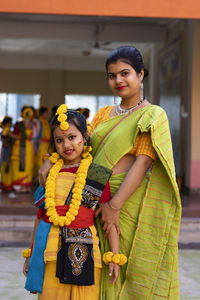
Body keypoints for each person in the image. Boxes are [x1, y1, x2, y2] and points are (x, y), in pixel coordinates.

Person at [38, 46, 182, 299]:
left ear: (140, 74)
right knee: (98, 271)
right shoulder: (104, 113)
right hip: (93, 198)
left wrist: (115, 206)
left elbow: (143, 162)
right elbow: (83, 148)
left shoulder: (152, 114)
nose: (118, 81)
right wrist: (50, 161)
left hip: (126, 202)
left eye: (125, 73)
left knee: (123, 266)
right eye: (112, 75)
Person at [22, 105, 126, 299]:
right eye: (59, 140)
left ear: (84, 137)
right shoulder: (50, 173)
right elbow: (40, 216)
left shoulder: (95, 175)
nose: (66, 145)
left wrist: (115, 256)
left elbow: (108, 220)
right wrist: (31, 253)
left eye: (72, 137)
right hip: (50, 252)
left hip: (86, 253)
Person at [11, 106, 34, 193]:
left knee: (28, 166)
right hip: (20, 146)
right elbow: (15, 135)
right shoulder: (19, 124)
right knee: (19, 165)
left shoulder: (33, 124)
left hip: (28, 147)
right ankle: (18, 186)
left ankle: (26, 185)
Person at [35, 106, 51, 173]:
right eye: (46, 113)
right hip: (41, 145)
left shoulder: (47, 122)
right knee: (40, 162)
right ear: (42, 113)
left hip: (47, 146)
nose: (48, 115)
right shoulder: (38, 122)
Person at [0, 116, 13, 190]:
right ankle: (4, 184)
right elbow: (4, 140)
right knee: (5, 166)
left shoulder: (6, 130)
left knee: (6, 166)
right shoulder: (6, 130)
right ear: (8, 123)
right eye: (10, 122)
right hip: (6, 150)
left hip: (6, 149)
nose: (11, 124)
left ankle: (5, 184)